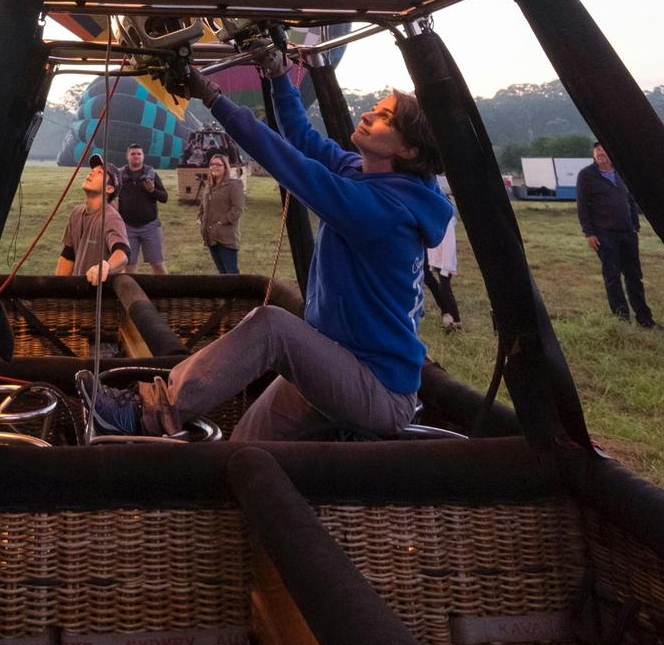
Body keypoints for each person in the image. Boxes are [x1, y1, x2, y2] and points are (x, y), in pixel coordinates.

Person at [84, 46, 451, 440]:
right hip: (333, 358)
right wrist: (278, 77)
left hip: (376, 389)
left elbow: (287, 162)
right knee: (244, 446)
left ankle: (149, 412)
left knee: (272, 325)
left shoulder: (384, 210)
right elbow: (302, 139)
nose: (367, 114)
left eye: (384, 118)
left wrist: (213, 99)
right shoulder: (360, 172)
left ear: (409, 150)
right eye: (376, 108)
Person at [576, 144, 656, 327]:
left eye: (604, 152)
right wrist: (588, 233)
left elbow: (630, 199)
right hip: (604, 234)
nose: (601, 156)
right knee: (612, 276)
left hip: (627, 233)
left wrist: (635, 224)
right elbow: (582, 207)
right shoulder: (586, 176)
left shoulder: (620, 172)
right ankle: (623, 321)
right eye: (598, 153)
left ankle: (645, 319)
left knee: (634, 276)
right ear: (593, 155)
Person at [55, 154, 129, 283]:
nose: (91, 173)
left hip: (99, 295)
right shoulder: (76, 213)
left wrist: (106, 266)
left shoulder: (111, 218)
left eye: (99, 172)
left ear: (109, 188)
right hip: (78, 292)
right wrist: (56, 287)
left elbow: (123, 252)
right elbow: (68, 255)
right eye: (92, 171)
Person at [116, 141, 169, 273]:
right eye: (133, 154)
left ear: (143, 156)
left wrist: (152, 191)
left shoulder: (151, 174)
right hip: (127, 227)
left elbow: (164, 197)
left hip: (150, 226)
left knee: (157, 264)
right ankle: (129, 292)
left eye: (139, 154)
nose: (136, 156)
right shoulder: (119, 175)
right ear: (127, 156)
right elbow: (109, 196)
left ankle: (166, 292)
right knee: (128, 266)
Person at [424, 175, 461, 331]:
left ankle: (455, 319)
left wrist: (446, 265)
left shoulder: (446, 220)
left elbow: (448, 244)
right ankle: (447, 314)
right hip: (435, 257)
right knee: (430, 278)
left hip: (443, 260)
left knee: (445, 288)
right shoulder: (436, 216)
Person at [199, 151, 244, 274]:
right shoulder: (209, 186)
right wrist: (200, 218)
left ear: (225, 167)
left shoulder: (234, 185)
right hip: (210, 234)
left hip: (226, 235)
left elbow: (238, 209)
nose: (214, 167)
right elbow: (203, 205)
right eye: (212, 164)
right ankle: (227, 293)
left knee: (231, 271)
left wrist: (222, 221)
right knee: (222, 272)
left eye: (218, 165)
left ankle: (238, 293)